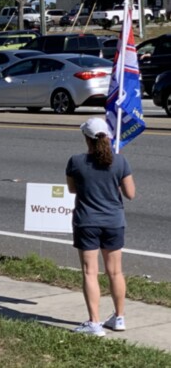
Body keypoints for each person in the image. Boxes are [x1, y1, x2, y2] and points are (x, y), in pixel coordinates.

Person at [66, 117, 135, 337]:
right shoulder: (120, 162)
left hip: (87, 221)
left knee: (90, 272)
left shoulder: (75, 161)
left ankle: (94, 323)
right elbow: (130, 194)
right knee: (115, 271)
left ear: (86, 138)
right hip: (114, 221)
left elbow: (72, 190)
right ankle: (119, 317)